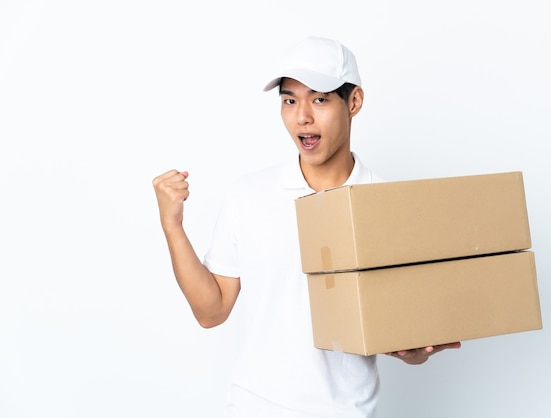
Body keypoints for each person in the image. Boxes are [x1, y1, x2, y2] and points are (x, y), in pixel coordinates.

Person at [152, 36, 461, 418]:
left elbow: (407, 337)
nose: (302, 117)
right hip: (253, 408)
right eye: (289, 100)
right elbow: (210, 311)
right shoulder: (249, 194)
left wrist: (414, 350)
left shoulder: (390, 204)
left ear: (354, 102)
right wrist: (172, 225)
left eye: (319, 98)